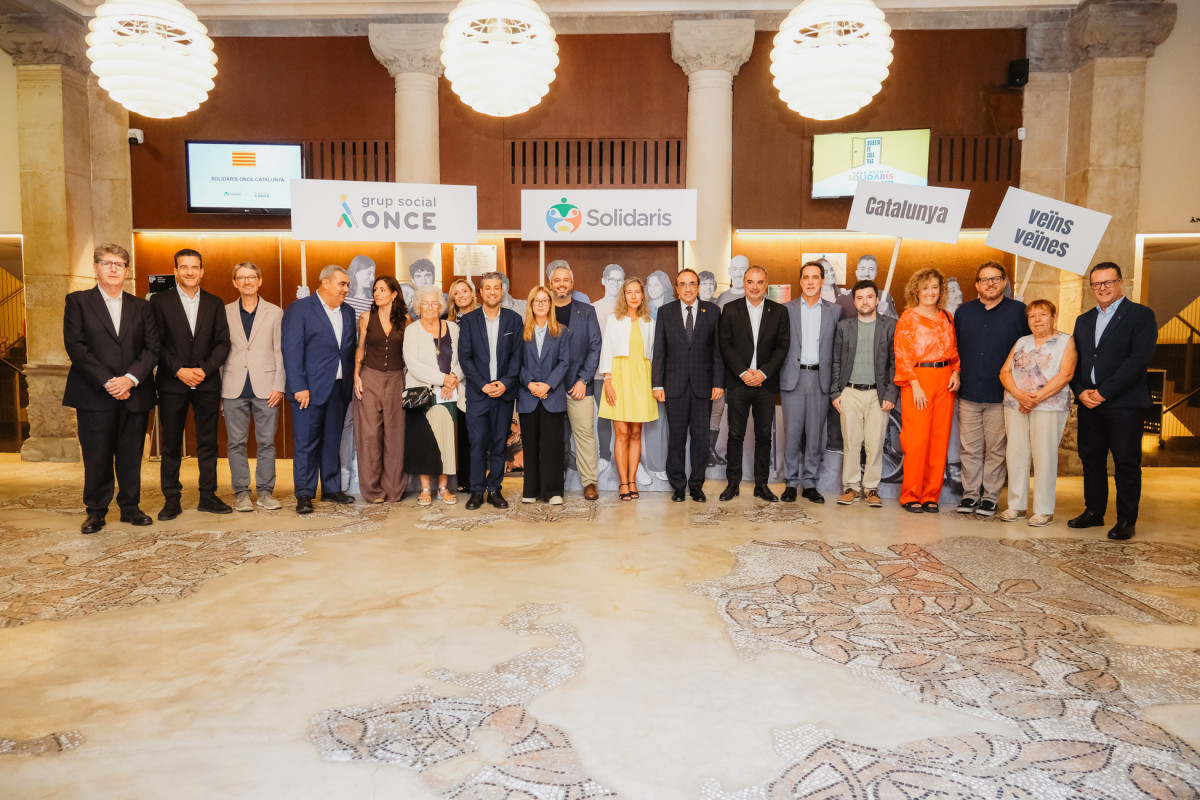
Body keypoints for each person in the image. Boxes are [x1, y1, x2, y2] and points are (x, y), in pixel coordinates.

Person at [63, 244, 160, 535]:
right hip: (94, 394)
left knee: (131, 455)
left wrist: (129, 379)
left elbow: (152, 347)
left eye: (120, 264)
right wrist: (109, 381)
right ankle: (96, 511)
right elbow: (76, 346)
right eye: (107, 263)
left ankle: (130, 508)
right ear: (96, 268)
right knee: (97, 456)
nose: (114, 268)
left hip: (134, 393)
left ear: (127, 271)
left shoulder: (142, 306)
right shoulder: (78, 302)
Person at [1067, 262, 1157, 540]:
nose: (1102, 288)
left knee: (1126, 462)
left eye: (1108, 282)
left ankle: (1126, 519)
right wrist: (1080, 391)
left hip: (1124, 404)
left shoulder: (1140, 315)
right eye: (1097, 284)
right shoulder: (1083, 320)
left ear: (1120, 283)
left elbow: (1138, 360)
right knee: (1091, 459)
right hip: (1089, 403)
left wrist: (1104, 392)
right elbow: (1075, 360)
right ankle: (1094, 512)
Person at [151, 248, 232, 519]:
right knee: (171, 444)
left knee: (208, 442)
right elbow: (155, 342)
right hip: (172, 383)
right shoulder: (159, 301)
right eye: (183, 267)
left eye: (194, 267)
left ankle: (208, 496)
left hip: (206, 383)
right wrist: (178, 370)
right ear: (175, 271)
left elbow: (223, 343)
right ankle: (171, 499)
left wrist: (204, 370)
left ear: (202, 271)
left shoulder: (214, 303)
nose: (189, 272)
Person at [952, 262, 1030, 517]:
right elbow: (955, 348)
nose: (990, 284)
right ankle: (970, 495)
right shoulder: (964, 312)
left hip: (1002, 394)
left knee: (996, 449)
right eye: (985, 279)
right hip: (969, 392)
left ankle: (990, 497)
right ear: (977, 284)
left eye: (996, 278)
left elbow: (1029, 348)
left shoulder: (1018, 311)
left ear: (1004, 282)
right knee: (970, 449)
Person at [282, 264, 358, 514]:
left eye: (347, 285)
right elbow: (292, 350)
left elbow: (347, 351)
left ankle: (331, 488)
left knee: (332, 441)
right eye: (342, 284)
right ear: (325, 283)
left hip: (338, 389)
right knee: (306, 444)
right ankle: (304, 494)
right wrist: (299, 386)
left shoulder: (348, 312)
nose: (346, 289)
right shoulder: (299, 309)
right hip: (308, 391)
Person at [998, 299, 1077, 526]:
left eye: (1042, 314)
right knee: (1016, 454)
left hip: (1048, 407)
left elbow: (1066, 375)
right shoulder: (1022, 341)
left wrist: (1035, 399)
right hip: (1016, 405)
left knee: (1044, 455)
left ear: (1054, 316)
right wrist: (1019, 395)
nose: (1037, 320)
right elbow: (1004, 372)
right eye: (1032, 316)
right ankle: (1016, 506)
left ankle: (1044, 510)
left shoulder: (1066, 341)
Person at [718, 265, 791, 501]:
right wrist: (742, 372)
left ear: (766, 284)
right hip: (738, 383)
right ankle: (733, 484)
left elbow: (782, 346)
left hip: (765, 385)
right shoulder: (730, 309)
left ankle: (762, 485)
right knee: (735, 436)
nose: (755, 287)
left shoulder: (779, 311)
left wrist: (763, 373)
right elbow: (725, 344)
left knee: (764, 437)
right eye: (750, 282)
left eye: (760, 282)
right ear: (743, 283)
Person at [651, 268, 724, 503]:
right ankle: (678, 486)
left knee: (701, 439)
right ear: (676, 288)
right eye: (683, 284)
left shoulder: (712, 311)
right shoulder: (665, 312)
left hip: (704, 386)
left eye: (692, 284)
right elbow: (659, 351)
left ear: (698, 287)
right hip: (674, 386)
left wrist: (718, 383)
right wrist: (657, 384)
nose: (688, 288)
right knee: (676, 438)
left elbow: (718, 351)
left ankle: (697, 486)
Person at [220, 261, 285, 512]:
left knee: (267, 443)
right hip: (232, 387)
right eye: (241, 277)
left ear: (260, 281)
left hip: (267, 389)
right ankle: (242, 493)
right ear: (234, 282)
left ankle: (266, 493)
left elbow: (280, 352)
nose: (247, 281)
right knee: (236, 444)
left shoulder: (275, 312)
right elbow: (219, 353)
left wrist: (279, 385)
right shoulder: (224, 312)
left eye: (251, 277)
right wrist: (219, 392)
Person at [894, 268, 960, 513]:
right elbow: (902, 355)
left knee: (939, 440)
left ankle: (931, 495)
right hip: (918, 380)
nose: (930, 292)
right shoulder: (908, 318)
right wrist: (915, 384)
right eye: (925, 288)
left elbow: (954, 350)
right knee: (917, 440)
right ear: (916, 291)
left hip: (945, 380)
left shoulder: (947, 317)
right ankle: (910, 494)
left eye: (935, 287)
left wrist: (956, 372)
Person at [458, 271, 523, 510]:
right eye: (488, 288)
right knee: (477, 443)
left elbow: (517, 356)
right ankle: (477, 491)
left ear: (502, 291)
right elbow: (465, 358)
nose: (493, 292)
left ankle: (494, 489)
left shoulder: (514, 320)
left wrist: (505, 382)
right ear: (481, 292)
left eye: (497, 287)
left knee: (498, 443)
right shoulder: (469, 321)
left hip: (504, 393)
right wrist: (482, 385)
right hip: (478, 393)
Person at [830, 279, 897, 507]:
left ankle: (871, 489)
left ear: (877, 300)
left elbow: (894, 363)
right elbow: (836, 361)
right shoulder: (844, 327)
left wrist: (890, 394)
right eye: (860, 298)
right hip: (849, 392)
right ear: (854, 301)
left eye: (869, 297)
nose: (865, 301)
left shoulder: (890, 326)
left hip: (878, 394)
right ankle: (850, 487)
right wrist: (835, 393)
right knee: (851, 443)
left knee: (874, 444)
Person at [781, 260, 840, 503]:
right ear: (800, 281)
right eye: (806, 277)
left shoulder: (834, 311)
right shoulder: (787, 309)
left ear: (822, 281)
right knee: (792, 434)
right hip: (793, 378)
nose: (810, 282)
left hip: (820, 378)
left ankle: (810, 484)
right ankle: (790, 482)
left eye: (815, 277)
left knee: (816, 435)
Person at [403, 285, 464, 506]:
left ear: (441, 306)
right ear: (418, 307)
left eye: (434, 303)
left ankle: (443, 487)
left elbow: (462, 358)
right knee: (423, 441)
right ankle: (425, 488)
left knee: (446, 440)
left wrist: (453, 378)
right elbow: (412, 364)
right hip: (422, 393)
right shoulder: (412, 330)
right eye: (425, 303)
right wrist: (443, 379)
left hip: (448, 393)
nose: (430, 307)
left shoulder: (453, 328)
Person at [599, 277, 658, 500]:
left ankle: (632, 481)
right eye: (629, 292)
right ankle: (623, 482)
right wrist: (608, 381)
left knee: (635, 432)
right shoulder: (613, 320)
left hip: (642, 379)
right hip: (619, 378)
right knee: (622, 432)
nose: (633, 296)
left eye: (637, 292)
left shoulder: (649, 322)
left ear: (643, 296)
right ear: (623, 296)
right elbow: (606, 350)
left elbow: (653, 355)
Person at [352, 275, 409, 504]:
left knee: (396, 435)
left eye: (382, 290)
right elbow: (360, 348)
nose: (377, 293)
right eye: (375, 289)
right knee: (369, 435)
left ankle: (393, 489)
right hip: (370, 377)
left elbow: (410, 352)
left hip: (396, 379)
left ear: (394, 294)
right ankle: (372, 490)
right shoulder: (366, 317)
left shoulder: (405, 319)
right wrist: (356, 375)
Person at [549, 261, 602, 501]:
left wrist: (583, 379)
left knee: (584, 435)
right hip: (550, 388)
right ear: (551, 284)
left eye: (565, 280)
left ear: (572, 283)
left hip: (579, 386)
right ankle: (553, 482)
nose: (561, 284)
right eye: (557, 280)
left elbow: (595, 347)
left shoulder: (587, 311)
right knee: (554, 437)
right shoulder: (543, 310)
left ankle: (589, 482)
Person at [517, 286, 571, 504]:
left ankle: (553, 491)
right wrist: (530, 384)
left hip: (552, 396)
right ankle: (531, 490)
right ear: (531, 305)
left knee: (553, 445)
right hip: (527, 395)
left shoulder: (561, 331)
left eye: (544, 301)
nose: (540, 304)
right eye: (536, 301)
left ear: (550, 305)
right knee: (530, 445)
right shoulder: (522, 331)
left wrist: (547, 385)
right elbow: (516, 363)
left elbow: (564, 362)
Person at [445, 277, 478, 491]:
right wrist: (450, 378)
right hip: (450, 384)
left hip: (473, 383)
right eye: (456, 293)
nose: (461, 296)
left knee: (473, 435)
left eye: (464, 291)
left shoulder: (481, 318)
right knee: (456, 435)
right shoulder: (446, 322)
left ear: (472, 294)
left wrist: (458, 375)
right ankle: (459, 480)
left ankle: (472, 479)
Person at [592, 263, 625, 473]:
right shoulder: (593, 308)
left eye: (619, 279)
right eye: (611, 279)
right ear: (604, 281)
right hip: (600, 374)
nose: (615, 283)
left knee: (627, 416)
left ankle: (632, 459)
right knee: (604, 415)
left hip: (625, 373)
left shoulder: (629, 307)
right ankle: (605, 455)